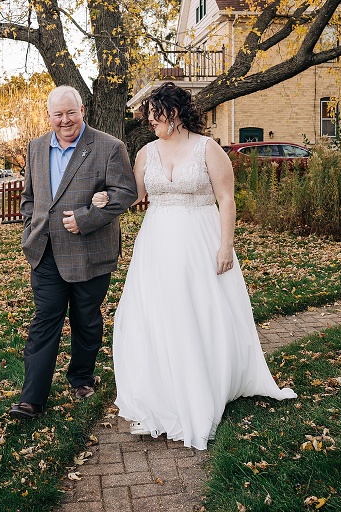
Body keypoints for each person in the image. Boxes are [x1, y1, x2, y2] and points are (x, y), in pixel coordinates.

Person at [107, 82, 296, 449]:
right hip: (157, 243)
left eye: (154, 115)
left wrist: (226, 245)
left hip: (200, 239)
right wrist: (107, 195)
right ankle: (163, 391)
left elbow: (226, 199)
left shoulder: (207, 149)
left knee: (200, 311)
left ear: (173, 113)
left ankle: (204, 384)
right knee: (158, 315)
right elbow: (136, 195)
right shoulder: (146, 152)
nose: (150, 122)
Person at [8, 85, 138, 420]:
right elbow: (30, 198)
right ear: (48, 115)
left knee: (86, 319)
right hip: (45, 252)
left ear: (83, 110)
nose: (65, 120)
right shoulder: (36, 147)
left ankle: (81, 377)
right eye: (58, 114)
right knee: (45, 320)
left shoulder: (109, 147)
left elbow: (126, 192)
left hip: (90, 251)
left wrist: (87, 218)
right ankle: (32, 399)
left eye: (71, 112)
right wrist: (30, 229)